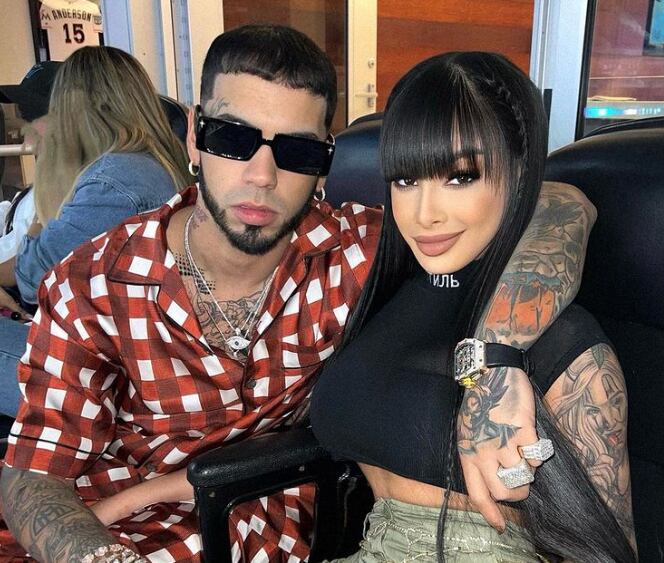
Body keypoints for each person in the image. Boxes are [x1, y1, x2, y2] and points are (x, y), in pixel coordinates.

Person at [0, 26, 596, 563]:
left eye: (298, 150)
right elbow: (32, 473)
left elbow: (558, 205)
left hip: (262, 524)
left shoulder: (362, 251)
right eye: (233, 138)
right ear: (195, 136)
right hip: (103, 523)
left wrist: (496, 360)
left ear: (324, 162)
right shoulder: (93, 281)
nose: (262, 175)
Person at [310, 52, 636, 562]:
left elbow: (610, 551)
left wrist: (495, 361)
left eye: (460, 177)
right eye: (406, 180)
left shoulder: (563, 342)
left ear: (520, 172)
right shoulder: (388, 293)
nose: (424, 214)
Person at [0, 46, 190, 417]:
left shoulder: (116, 179)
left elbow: (34, 278)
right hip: (133, 361)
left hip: (115, 385)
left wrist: (50, 175)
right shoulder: (156, 164)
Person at [0, 61, 62, 319]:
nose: (24, 127)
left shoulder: (71, 192)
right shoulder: (35, 191)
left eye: (32, 115)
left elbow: (28, 268)